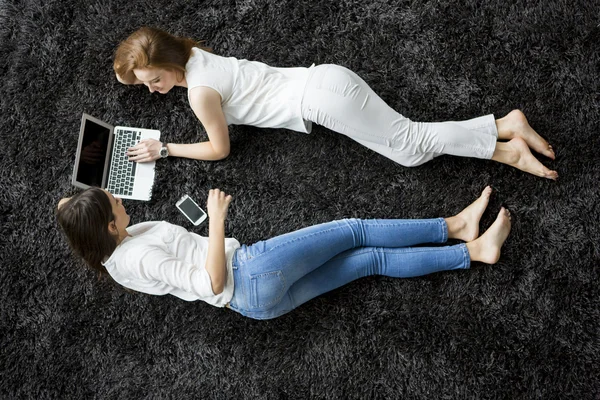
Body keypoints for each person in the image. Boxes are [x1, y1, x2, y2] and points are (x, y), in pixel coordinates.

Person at [113, 27, 557, 180]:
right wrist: (133, 70)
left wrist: (165, 149)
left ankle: (505, 124)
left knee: (408, 145)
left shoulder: (198, 94)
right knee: (407, 144)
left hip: (323, 102)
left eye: (154, 81)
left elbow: (219, 148)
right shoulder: (194, 56)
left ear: (169, 64)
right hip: (325, 78)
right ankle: (504, 146)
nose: (153, 90)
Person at [57, 186, 511, 320]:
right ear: (111, 226)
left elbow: (70, 211)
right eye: (112, 203)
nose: (118, 197)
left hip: (255, 304)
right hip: (248, 271)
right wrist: (216, 222)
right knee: (355, 230)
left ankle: (471, 252)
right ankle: (454, 226)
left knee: (370, 261)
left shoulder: (112, 254)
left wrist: (74, 207)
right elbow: (209, 282)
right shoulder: (140, 258)